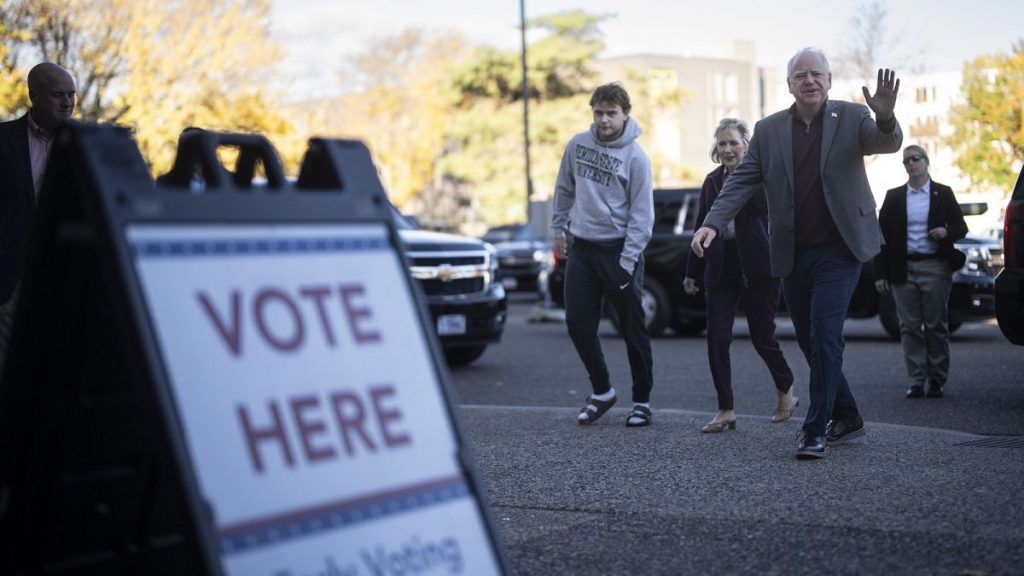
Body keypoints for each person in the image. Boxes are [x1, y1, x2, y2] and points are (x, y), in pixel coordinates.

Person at [690, 47, 902, 459]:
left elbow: (886, 143)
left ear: (829, 80)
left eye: (816, 74)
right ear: (789, 85)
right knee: (809, 340)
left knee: (825, 335)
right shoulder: (769, 130)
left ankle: (816, 428)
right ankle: (848, 415)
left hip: (841, 248)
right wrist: (712, 222)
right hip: (792, 251)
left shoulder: (853, 117)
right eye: (800, 75)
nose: (809, 81)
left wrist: (886, 116)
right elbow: (740, 181)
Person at [551, 82, 655, 427]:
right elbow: (564, 188)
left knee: (632, 329)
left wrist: (627, 260)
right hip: (582, 249)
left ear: (626, 114)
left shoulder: (636, 158)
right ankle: (602, 392)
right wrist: (557, 229)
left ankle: (642, 402)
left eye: (611, 113)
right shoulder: (577, 144)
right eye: (599, 113)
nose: (604, 119)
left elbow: (642, 215)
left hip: (618, 252)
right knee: (578, 325)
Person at [684, 118, 797, 433]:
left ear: (747, 144)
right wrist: (692, 271)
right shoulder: (712, 181)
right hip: (721, 268)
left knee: (762, 338)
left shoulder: (763, 176)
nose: (727, 149)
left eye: (733, 142)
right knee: (717, 340)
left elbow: (766, 208)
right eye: (722, 143)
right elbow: (701, 224)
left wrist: (745, 176)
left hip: (760, 267)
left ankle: (786, 388)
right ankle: (726, 409)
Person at [0, 62, 76, 370]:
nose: (67, 102)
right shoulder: (4, 140)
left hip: (65, 276)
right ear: (33, 96)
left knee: (55, 365)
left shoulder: (88, 146)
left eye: (71, 94)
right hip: (10, 278)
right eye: (58, 95)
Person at [874, 145, 967, 399]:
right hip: (902, 268)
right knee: (909, 326)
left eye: (915, 159)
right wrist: (880, 274)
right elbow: (881, 238)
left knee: (936, 324)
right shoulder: (894, 196)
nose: (911, 164)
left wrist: (946, 231)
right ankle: (916, 380)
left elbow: (961, 227)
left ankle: (937, 379)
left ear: (927, 161)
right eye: (906, 161)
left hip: (935, 265)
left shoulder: (942, 193)